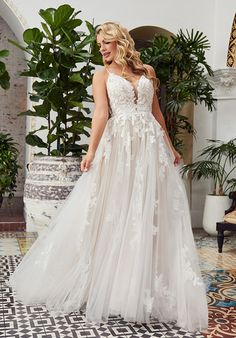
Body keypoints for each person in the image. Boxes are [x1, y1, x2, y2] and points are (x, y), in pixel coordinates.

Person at [10, 22, 208, 332]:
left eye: (106, 43)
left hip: (150, 147)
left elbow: (156, 113)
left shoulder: (148, 71)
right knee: (116, 211)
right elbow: (102, 114)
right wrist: (91, 151)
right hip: (120, 148)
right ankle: (112, 285)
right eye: (99, 44)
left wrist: (170, 147)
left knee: (148, 213)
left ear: (120, 41)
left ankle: (142, 287)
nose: (101, 48)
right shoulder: (100, 76)